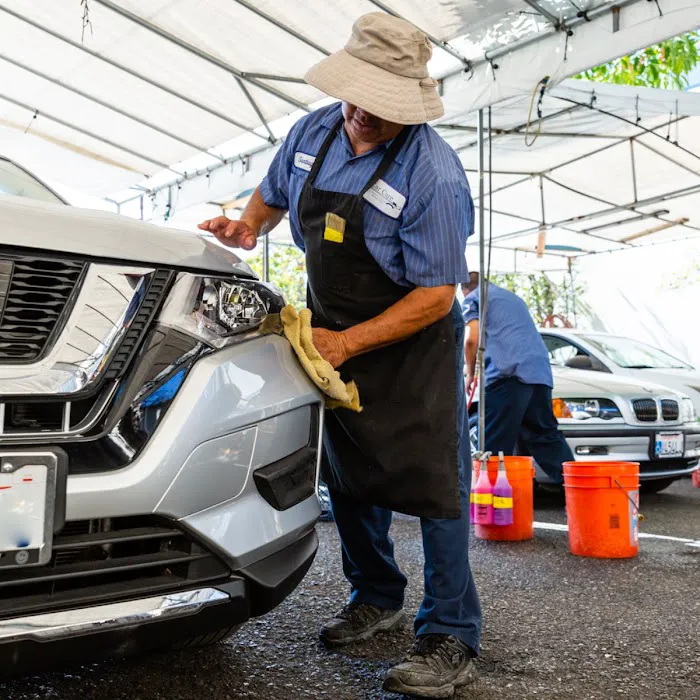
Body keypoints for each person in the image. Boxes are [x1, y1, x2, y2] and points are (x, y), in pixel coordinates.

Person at [199, 13, 480, 698]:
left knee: (436, 486)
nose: (360, 112)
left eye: (379, 105)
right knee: (350, 476)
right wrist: (246, 226)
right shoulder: (314, 131)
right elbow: (269, 198)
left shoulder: (433, 175)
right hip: (331, 335)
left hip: (410, 346)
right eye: (354, 94)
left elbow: (438, 294)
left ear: (408, 105)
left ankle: (451, 633)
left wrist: (349, 341)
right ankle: (376, 595)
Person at [462, 272, 574, 482]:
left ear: (464, 289)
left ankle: (490, 504)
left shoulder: (474, 298)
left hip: (508, 374)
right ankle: (580, 491)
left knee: (494, 445)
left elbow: (471, 339)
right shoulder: (512, 298)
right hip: (539, 373)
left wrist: (469, 373)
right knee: (545, 437)